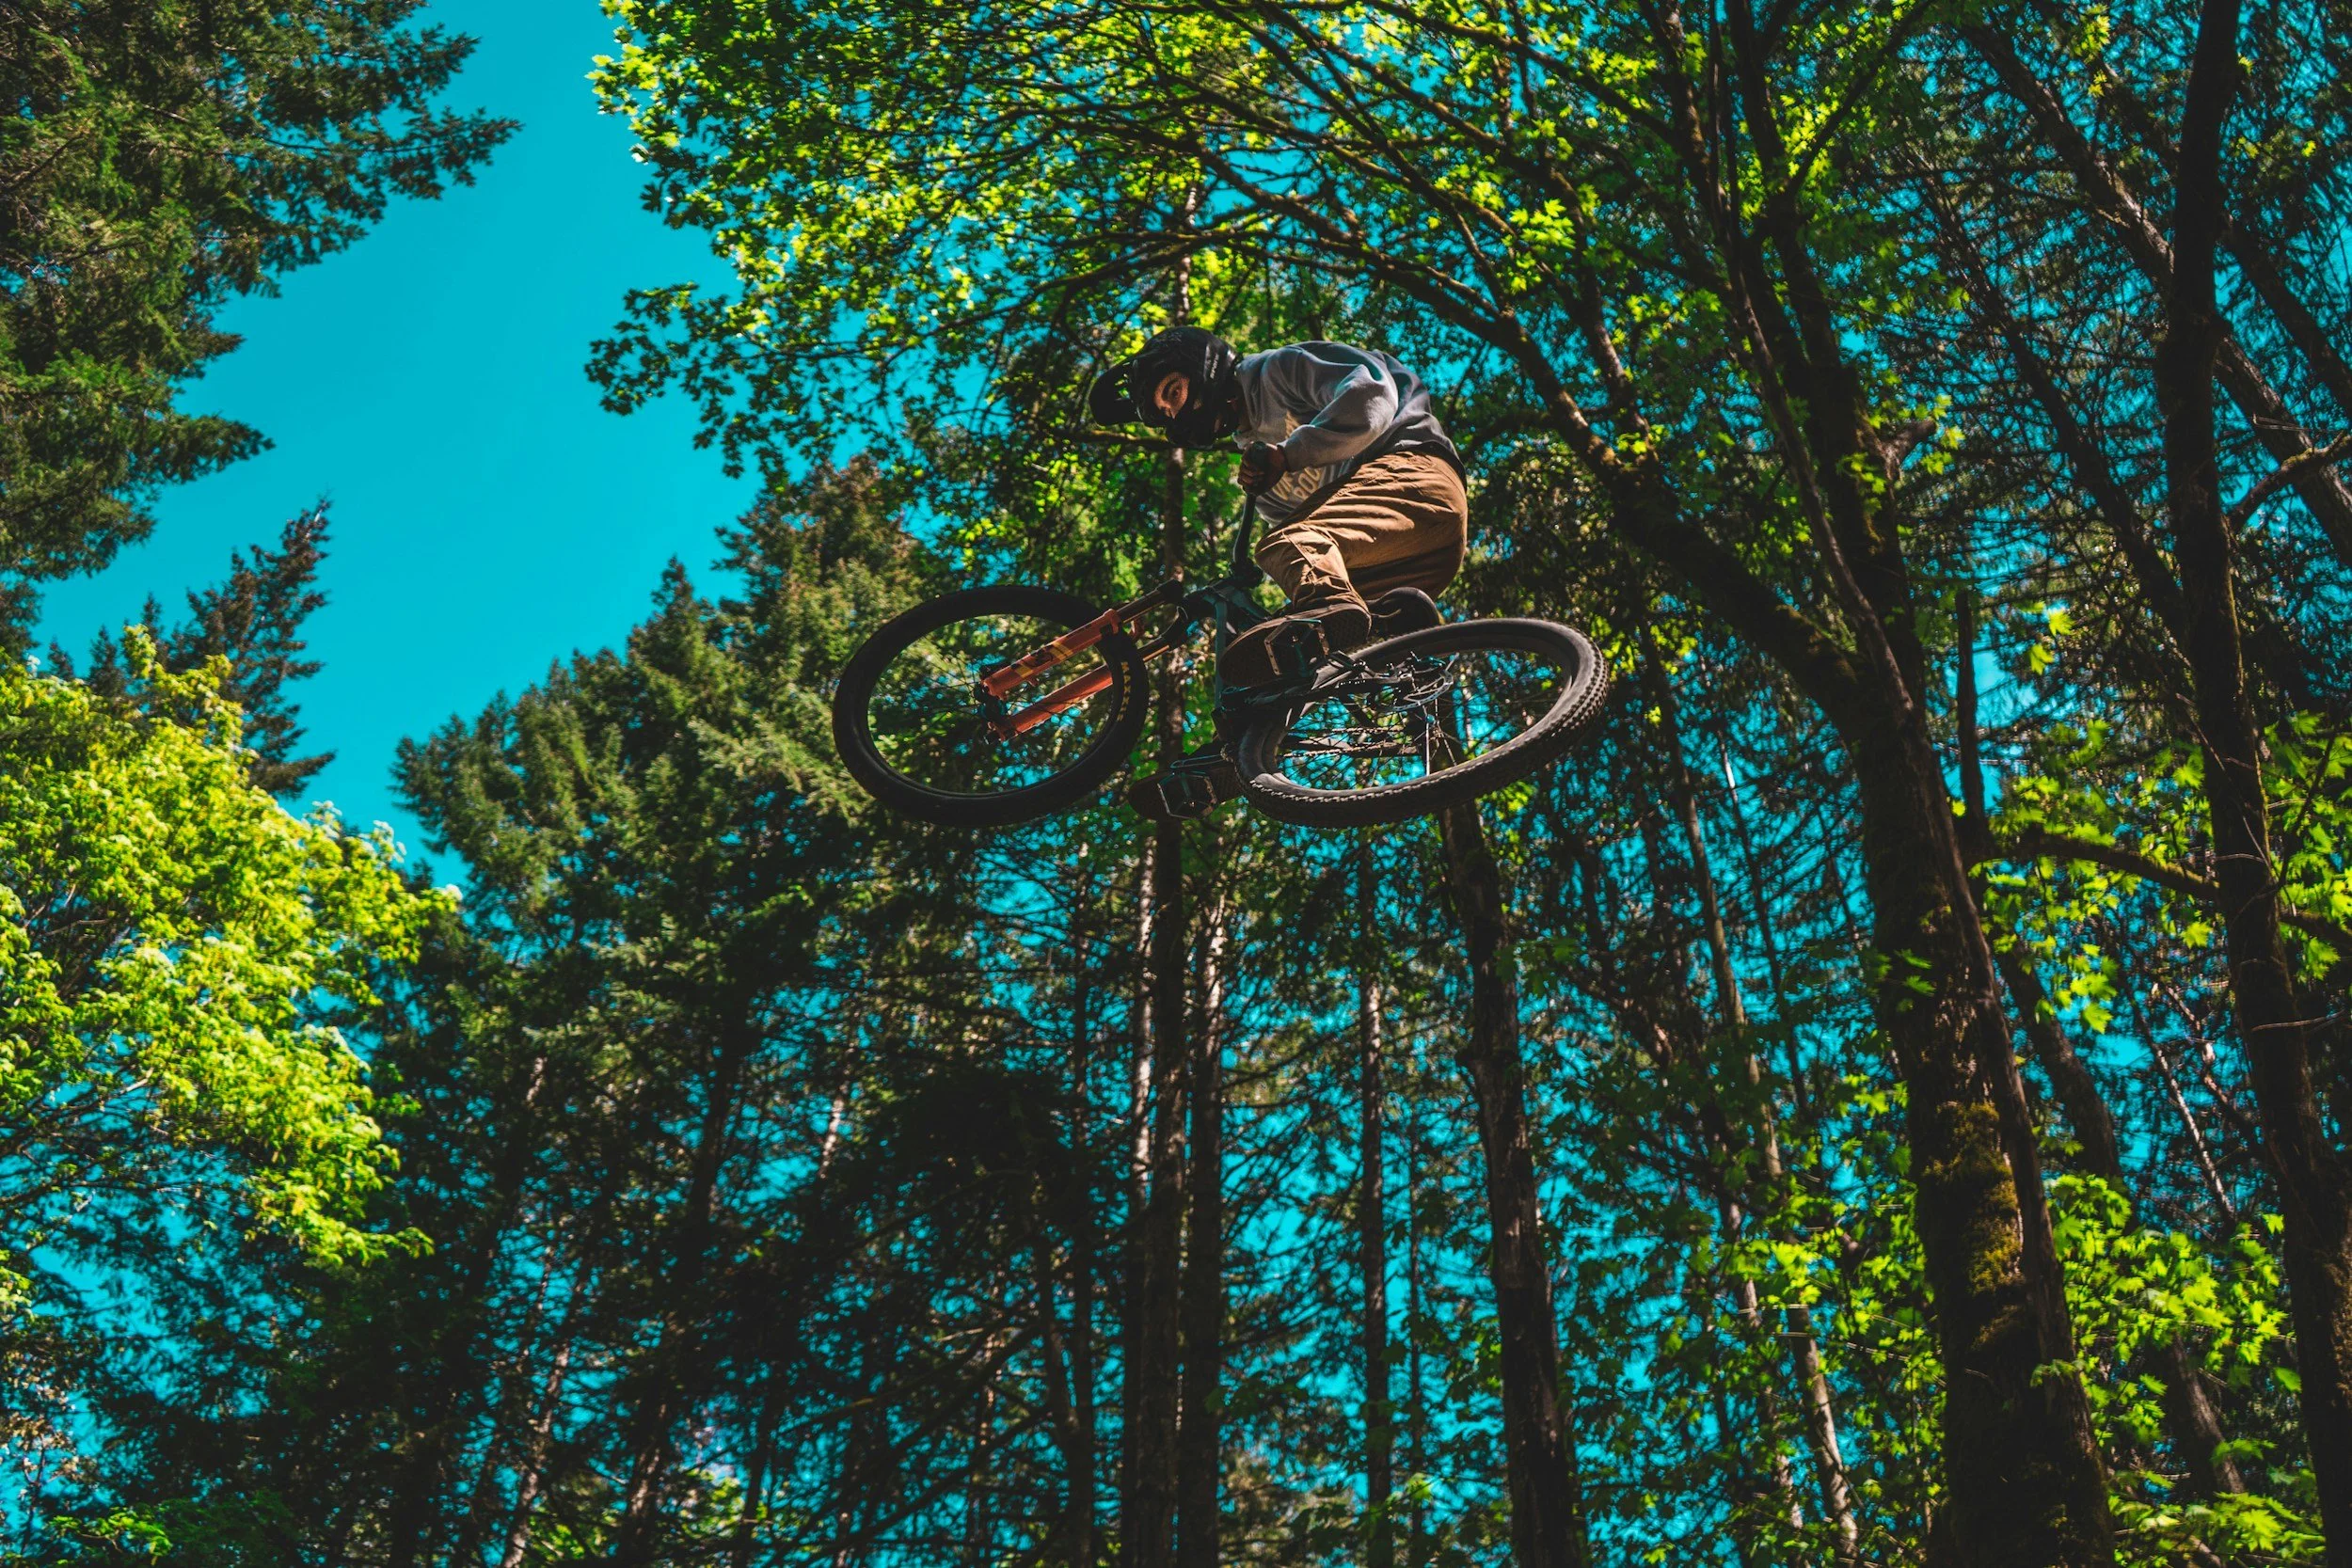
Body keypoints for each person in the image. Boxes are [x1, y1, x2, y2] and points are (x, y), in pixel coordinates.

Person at [1089, 325, 1466, 687]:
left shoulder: (1276, 371)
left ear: (1200, 364)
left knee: (1288, 544)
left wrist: (1289, 454)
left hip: (1416, 477)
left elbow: (1372, 397)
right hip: (1413, 563)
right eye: (1167, 415)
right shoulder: (1263, 477)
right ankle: (1414, 665)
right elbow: (1314, 544)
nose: (1178, 414)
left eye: (1174, 392)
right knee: (1295, 637)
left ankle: (1332, 605)